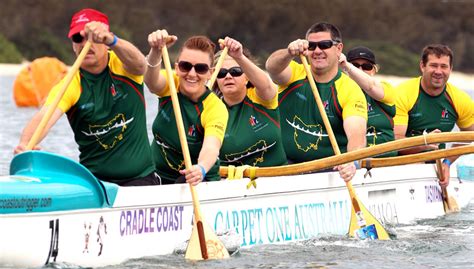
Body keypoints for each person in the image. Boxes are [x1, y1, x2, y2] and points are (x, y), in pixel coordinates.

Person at [14, 8, 159, 186]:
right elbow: (44, 116)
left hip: (140, 179)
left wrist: (112, 40)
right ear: (73, 45)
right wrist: (25, 145)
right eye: (78, 38)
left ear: (106, 41)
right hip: (95, 185)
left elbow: (141, 66)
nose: (85, 43)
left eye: (93, 38)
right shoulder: (71, 83)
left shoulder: (123, 64)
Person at [265, 22, 367, 182]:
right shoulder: (295, 72)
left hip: (329, 171)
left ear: (339, 48)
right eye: (312, 46)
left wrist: (351, 161)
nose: (317, 51)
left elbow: (356, 135)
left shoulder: (350, 89)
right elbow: (272, 67)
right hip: (285, 167)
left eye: (324, 45)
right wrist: (288, 52)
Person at [144, 30, 228, 186]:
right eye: (185, 66)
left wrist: (201, 168)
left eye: (200, 68)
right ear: (176, 67)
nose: (191, 73)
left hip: (194, 180)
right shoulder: (171, 82)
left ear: (210, 73)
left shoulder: (215, 107)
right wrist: (156, 50)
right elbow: (151, 82)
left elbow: (211, 146)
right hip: (156, 176)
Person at [394, 44, 474, 187]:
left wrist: (448, 162)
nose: (439, 71)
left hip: (436, 163)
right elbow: (395, 141)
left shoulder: (460, 99)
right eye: (433, 65)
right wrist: (425, 144)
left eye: (444, 66)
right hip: (400, 161)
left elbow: (470, 135)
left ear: (451, 69)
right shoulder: (403, 93)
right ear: (422, 66)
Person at [213, 37, 287, 167]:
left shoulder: (261, 97)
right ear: (215, 78)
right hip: (234, 182)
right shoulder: (212, 109)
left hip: (277, 178)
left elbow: (267, 85)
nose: (228, 76)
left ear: (247, 77)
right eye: (222, 73)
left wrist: (239, 57)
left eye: (236, 72)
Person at [339, 46, 397, 157]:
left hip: (387, 161)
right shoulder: (338, 92)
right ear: (344, 69)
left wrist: (349, 66)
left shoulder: (386, 89)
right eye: (355, 65)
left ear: (374, 70)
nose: (360, 70)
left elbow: (370, 86)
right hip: (353, 164)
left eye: (366, 66)